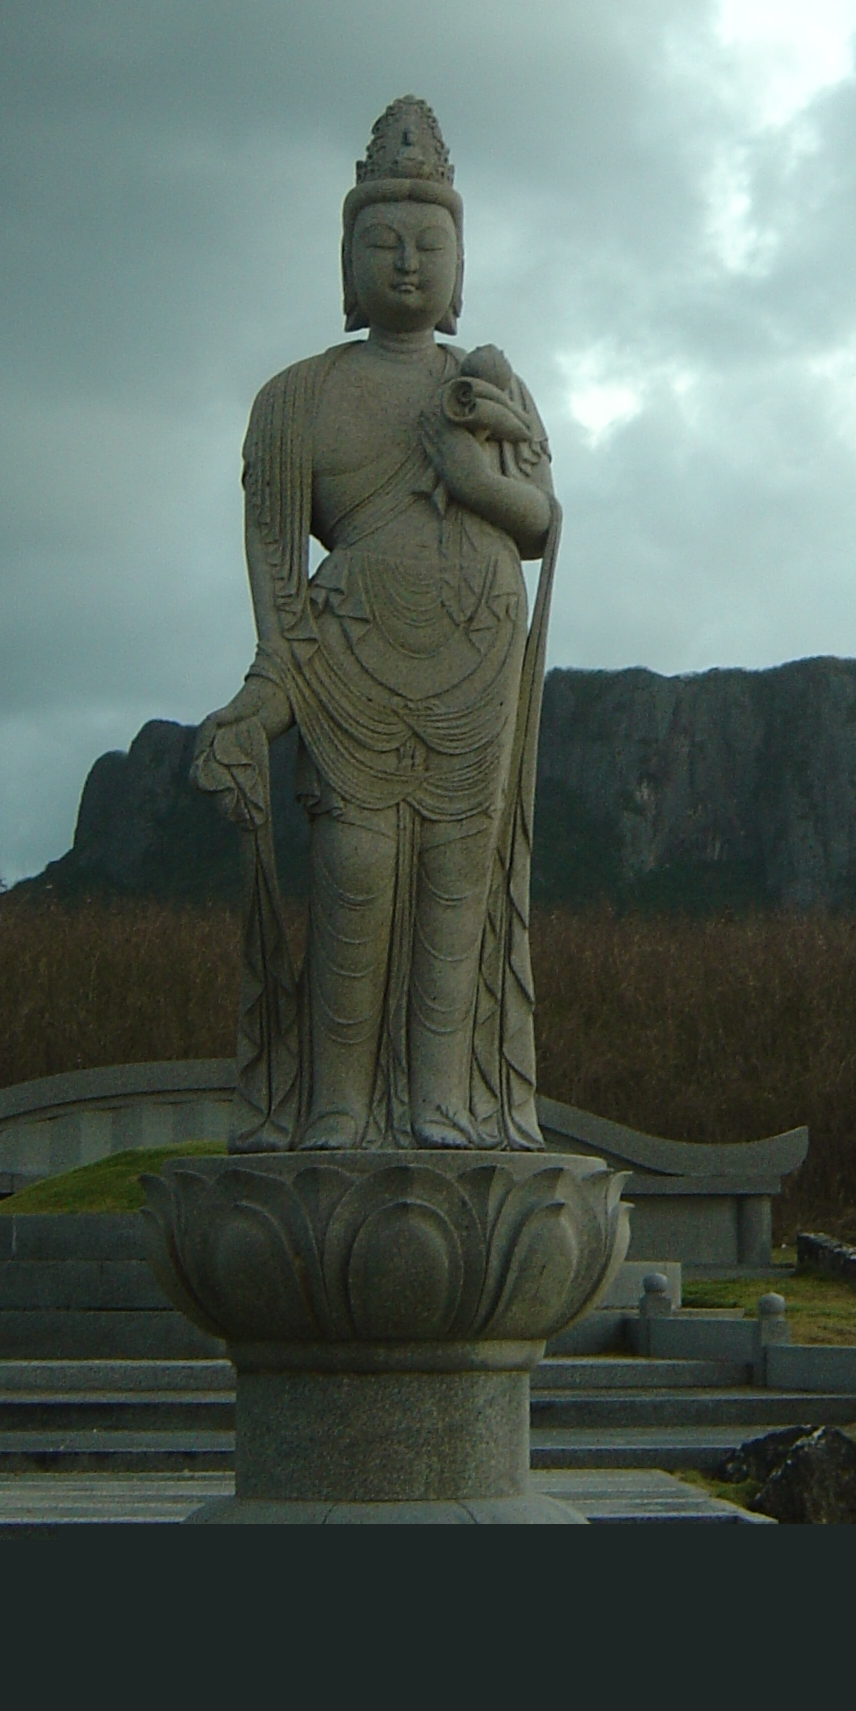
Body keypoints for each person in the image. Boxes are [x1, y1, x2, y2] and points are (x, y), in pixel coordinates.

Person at [191, 97, 557, 1152]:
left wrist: (470, 478)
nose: (407, 263)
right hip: (348, 663)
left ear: (459, 267)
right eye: (384, 242)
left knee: (457, 891)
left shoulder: (486, 387)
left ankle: (444, 1101)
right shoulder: (296, 400)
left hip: (478, 662)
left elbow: (542, 522)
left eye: (430, 244)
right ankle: (337, 1106)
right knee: (352, 885)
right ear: (348, 262)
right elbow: (276, 583)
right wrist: (254, 713)